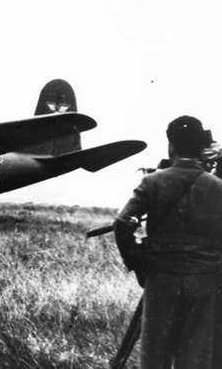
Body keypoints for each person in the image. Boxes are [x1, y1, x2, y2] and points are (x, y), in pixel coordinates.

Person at [113, 115, 222, 369]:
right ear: (200, 147)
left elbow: (122, 223)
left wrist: (138, 263)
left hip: (162, 280)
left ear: (170, 145)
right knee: (196, 358)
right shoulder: (218, 187)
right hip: (204, 282)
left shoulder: (153, 182)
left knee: (155, 358)